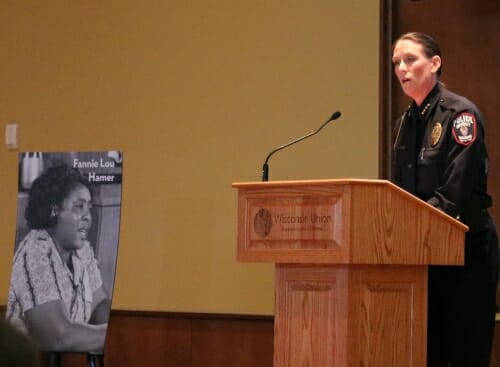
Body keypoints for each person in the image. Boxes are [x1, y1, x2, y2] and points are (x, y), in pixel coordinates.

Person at [391, 32, 499, 367]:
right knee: (428, 353)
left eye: (410, 59)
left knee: (465, 353)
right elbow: (399, 193)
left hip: (466, 254)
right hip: (425, 258)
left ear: (435, 63)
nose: (401, 69)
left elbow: (454, 194)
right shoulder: (403, 125)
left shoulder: (460, 115)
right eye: (396, 63)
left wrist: (412, 224)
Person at [6, 164, 111, 353]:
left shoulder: (82, 249)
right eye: (79, 207)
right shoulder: (35, 254)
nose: (88, 216)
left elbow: (99, 304)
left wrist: (118, 326)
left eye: (89, 207)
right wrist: (114, 333)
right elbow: (59, 336)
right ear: (54, 211)